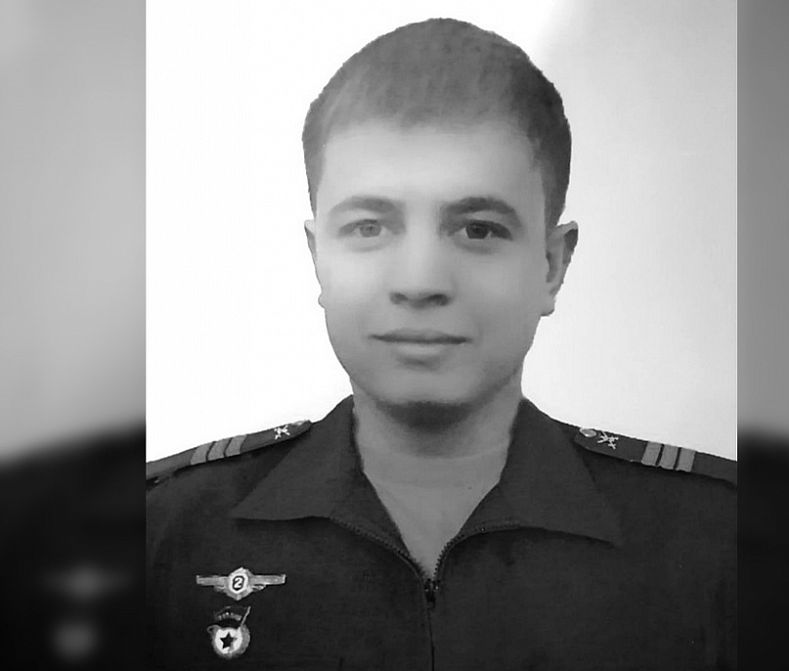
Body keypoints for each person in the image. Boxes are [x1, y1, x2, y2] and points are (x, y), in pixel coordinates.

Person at [147, 18, 735, 670]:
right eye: (369, 227)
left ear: (551, 265)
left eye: (478, 229)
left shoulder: (721, 544)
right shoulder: (163, 533)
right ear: (318, 259)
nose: (420, 281)